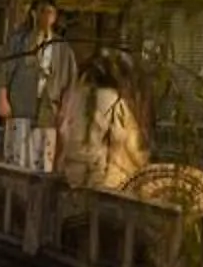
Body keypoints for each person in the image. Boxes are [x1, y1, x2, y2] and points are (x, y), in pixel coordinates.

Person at [0, 0, 75, 172]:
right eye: (42, 12)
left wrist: (65, 110)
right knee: (17, 158)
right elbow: (3, 71)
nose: (46, 17)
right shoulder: (17, 42)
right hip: (21, 105)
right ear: (33, 14)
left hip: (48, 109)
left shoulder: (62, 48)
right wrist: (2, 99)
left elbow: (70, 83)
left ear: (55, 17)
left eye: (50, 13)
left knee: (44, 161)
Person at [56, 53, 148, 192]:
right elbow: (125, 142)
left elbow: (63, 134)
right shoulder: (115, 102)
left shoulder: (73, 98)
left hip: (72, 178)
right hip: (104, 182)